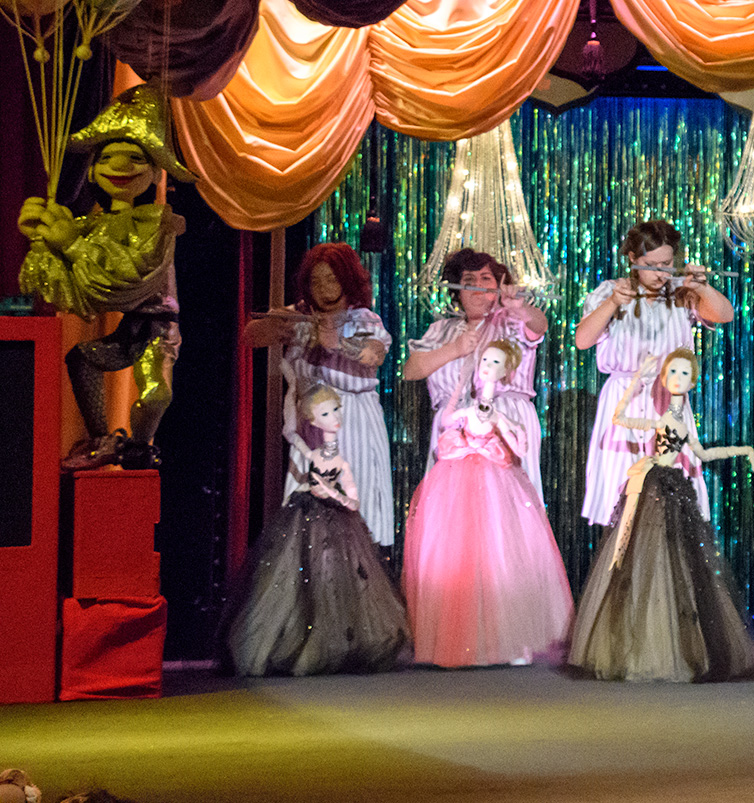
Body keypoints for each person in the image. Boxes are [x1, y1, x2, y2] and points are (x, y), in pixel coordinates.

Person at [17, 85, 193, 467]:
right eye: (108, 157)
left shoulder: (158, 225)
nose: (120, 166)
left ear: (155, 171)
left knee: (157, 395)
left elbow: (125, 283)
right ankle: (102, 440)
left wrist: (70, 245)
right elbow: (64, 290)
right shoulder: (90, 226)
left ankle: (140, 447)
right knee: (83, 359)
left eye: (135, 158)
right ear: (94, 171)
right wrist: (40, 242)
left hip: (160, 327)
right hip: (130, 329)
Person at [568, 348, 754, 682]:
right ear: (663, 377)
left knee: (677, 562)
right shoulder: (661, 421)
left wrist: (745, 451)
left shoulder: (681, 424)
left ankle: (667, 645)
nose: (677, 378)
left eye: (684, 374)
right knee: (640, 556)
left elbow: (703, 453)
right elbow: (618, 418)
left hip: (670, 489)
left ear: (693, 382)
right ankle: (643, 645)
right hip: (652, 485)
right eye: (672, 372)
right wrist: (635, 381)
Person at [403, 339, 573, 667]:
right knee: (459, 550)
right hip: (458, 477)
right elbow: (447, 421)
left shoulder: (498, 413)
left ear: (507, 372)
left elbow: (520, 446)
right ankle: (460, 640)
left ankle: (508, 641)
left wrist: (507, 428)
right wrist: (459, 391)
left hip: (495, 478)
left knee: (499, 549)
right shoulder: (470, 407)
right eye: (485, 361)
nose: (487, 367)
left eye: (495, 363)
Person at [225, 380, 410, 676]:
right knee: (303, 578)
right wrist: (291, 390)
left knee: (334, 580)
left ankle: (332, 647)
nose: (334, 417)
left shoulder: (340, 463)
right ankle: (299, 644)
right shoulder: (313, 454)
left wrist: (332, 492)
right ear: (312, 420)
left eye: (336, 410)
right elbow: (289, 432)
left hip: (337, 521)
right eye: (325, 414)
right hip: (307, 517)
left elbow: (353, 502)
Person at [574, 220, 734, 524]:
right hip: (624, 401)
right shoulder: (611, 291)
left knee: (671, 497)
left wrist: (701, 286)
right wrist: (612, 303)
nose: (661, 273)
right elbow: (583, 340)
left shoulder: (680, 292)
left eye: (667, 264)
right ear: (633, 259)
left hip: (668, 400)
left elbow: (725, 314)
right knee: (623, 490)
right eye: (651, 266)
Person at [246, 243, 395, 548]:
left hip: (352, 421)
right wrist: (277, 325)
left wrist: (333, 338)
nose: (324, 288)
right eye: (316, 281)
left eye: (331, 279)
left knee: (351, 502)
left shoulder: (363, 319)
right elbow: (251, 334)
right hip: (311, 425)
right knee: (308, 514)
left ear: (346, 280)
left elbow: (374, 354)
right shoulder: (300, 316)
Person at [404, 249, 549, 497]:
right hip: (454, 427)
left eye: (486, 278)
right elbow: (411, 370)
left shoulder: (513, 321)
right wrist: (454, 349)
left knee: (505, 501)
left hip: (505, 421)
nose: (477, 286)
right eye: (469, 280)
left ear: (499, 286)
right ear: (457, 290)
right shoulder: (441, 329)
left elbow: (539, 326)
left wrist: (520, 307)